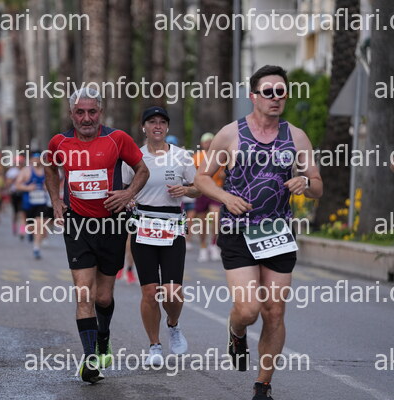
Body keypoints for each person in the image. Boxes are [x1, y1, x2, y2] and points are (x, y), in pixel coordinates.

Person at [195, 65, 323, 400]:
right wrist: (225, 198)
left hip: (277, 232)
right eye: (268, 92)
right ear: (253, 96)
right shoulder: (230, 134)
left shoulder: (296, 137)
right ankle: (237, 331)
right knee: (249, 310)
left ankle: (262, 386)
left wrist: (305, 182)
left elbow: (317, 186)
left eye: (281, 92)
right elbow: (202, 178)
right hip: (238, 231)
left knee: (274, 312)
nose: (275, 98)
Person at [45, 88, 149, 383]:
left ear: (100, 112)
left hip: (112, 225)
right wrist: (56, 201)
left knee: (103, 297)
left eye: (92, 111)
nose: (86, 118)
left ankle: (103, 336)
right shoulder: (59, 142)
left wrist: (128, 193)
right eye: (80, 112)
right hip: (78, 225)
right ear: (71, 114)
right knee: (84, 294)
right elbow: (50, 169)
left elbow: (142, 170)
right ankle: (90, 359)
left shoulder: (117, 139)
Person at [123, 106, 200, 366]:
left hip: (172, 226)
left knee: (172, 292)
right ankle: (154, 345)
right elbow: (123, 187)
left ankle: (173, 324)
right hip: (143, 226)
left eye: (162, 122)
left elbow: (198, 187)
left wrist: (186, 190)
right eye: (152, 122)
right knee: (149, 291)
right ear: (143, 127)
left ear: (167, 127)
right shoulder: (134, 156)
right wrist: (127, 199)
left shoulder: (181, 156)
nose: (157, 126)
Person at [193, 132, 225, 262]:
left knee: (216, 216)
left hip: (216, 189)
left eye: (211, 140)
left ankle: (213, 244)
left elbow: (226, 171)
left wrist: (224, 175)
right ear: (202, 143)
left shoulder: (220, 156)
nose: (209, 143)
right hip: (202, 191)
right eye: (206, 141)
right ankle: (203, 247)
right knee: (202, 221)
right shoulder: (197, 156)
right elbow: (192, 173)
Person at [16, 151, 52, 259]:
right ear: (31, 160)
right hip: (28, 203)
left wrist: (47, 187)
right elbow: (17, 185)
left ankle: (36, 248)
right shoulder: (26, 171)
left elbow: (54, 184)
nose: (36, 160)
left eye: (38, 158)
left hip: (42, 203)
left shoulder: (46, 170)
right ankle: (31, 234)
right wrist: (28, 188)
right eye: (34, 158)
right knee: (31, 227)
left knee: (40, 224)